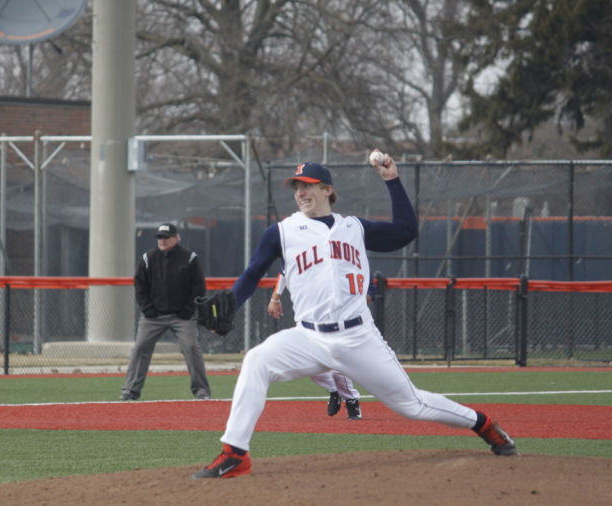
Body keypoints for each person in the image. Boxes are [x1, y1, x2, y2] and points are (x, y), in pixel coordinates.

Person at [193, 155, 518, 479]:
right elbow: (251, 274)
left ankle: (484, 424)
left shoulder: (354, 228)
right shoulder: (281, 232)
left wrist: (392, 179)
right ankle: (235, 453)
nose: (300, 193)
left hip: (357, 337)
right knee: (257, 361)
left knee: (412, 405)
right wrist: (232, 302)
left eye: (307, 186)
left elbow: (405, 231)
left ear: (327, 190)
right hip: (308, 336)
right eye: (296, 187)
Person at [120, 223, 211, 401]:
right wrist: (148, 309)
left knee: (191, 347)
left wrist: (188, 309)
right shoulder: (148, 258)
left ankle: (202, 392)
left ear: (177, 238)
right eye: (160, 237)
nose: (162, 240)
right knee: (140, 348)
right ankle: (130, 391)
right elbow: (140, 286)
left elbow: (199, 287)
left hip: (182, 316)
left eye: (166, 237)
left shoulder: (190, 258)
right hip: (153, 316)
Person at [268, 273, 363, 420]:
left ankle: (351, 401)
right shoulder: (299, 255)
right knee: (310, 365)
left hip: (335, 319)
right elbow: (284, 271)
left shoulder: (332, 260)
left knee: (337, 367)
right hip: (307, 321)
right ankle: (334, 391)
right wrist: (275, 298)